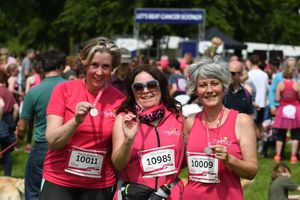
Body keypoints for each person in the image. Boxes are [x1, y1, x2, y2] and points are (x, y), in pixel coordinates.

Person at [40, 37, 125, 200]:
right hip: (59, 180)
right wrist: (75, 121)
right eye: (94, 65)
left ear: (113, 68)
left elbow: (118, 154)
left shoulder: (120, 100)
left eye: (106, 66)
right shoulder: (64, 90)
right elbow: (52, 140)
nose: (99, 72)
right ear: (85, 64)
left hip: (99, 184)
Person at [182, 57, 258, 199]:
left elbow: (252, 171)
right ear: (196, 91)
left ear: (224, 88)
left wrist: (229, 159)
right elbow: (179, 163)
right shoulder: (190, 122)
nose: (209, 90)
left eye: (214, 83)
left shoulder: (241, 121)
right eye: (203, 85)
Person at [111, 64, 185, 200]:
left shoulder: (178, 118)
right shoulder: (123, 119)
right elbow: (118, 164)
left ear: (161, 87)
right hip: (133, 195)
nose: (145, 91)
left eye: (151, 85)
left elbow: (185, 160)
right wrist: (128, 140)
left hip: (170, 195)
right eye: (138, 87)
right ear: (132, 92)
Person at [15, 48, 66, 200]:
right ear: (62, 66)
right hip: (66, 144)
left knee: (33, 191)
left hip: (42, 146)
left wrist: (19, 136)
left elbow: (22, 125)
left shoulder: (34, 92)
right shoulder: (71, 87)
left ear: (42, 67)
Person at [272, 62, 300, 164]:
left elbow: (277, 98)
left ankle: (277, 156)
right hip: (296, 110)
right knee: (295, 134)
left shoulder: (280, 84)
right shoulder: (297, 85)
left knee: (280, 134)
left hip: (283, 109)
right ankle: (293, 157)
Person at [0, 73, 19, 176]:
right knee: (7, 153)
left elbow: (1, 105)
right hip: (7, 121)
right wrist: (12, 121)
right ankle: (8, 177)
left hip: (1, 120)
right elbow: (16, 108)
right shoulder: (8, 92)